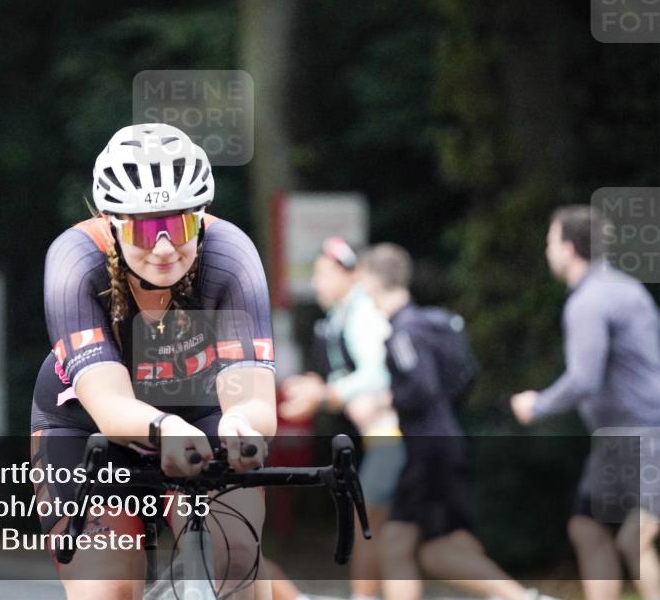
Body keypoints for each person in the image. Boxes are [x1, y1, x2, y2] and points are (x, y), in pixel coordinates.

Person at [30, 123, 278, 600]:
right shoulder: (75, 260)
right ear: (113, 222)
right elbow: (109, 404)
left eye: (181, 225)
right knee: (107, 590)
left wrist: (242, 427)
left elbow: (251, 399)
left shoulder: (230, 256)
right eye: (145, 228)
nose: (164, 247)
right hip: (87, 426)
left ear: (201, 219)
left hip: (201, 410)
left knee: (236, 560)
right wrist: (164, 428)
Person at [359, 243, 559, 600]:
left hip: (427, 450)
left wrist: (384, 399)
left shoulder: (403, 332)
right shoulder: (429, 323)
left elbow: (421, 386)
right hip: (441, 441)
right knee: (408, 543)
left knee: (433, 551)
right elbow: (461, 382)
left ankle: (521, 597)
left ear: (373, 281)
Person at [511, 205, 660, 600]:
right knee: (588, 526)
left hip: (641, 434)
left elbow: (584, 379)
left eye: (550, 241)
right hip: (623, 436)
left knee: (634, 541)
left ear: (569, 247)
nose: (547, 251)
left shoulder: (588, 302)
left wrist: (537, 404)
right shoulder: (628, 288)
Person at [278, 237, 405, 600]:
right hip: (382, 438)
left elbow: (379, 373)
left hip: (391, 436)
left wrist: (325, 394)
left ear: (350, 276)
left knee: (366, 524)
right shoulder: (342, 317)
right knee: (395, 536)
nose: (317, 283)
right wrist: (322, 389)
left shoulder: (361, 313)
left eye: (323, 274)